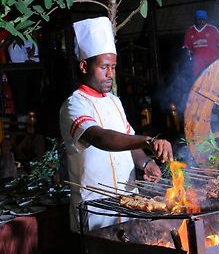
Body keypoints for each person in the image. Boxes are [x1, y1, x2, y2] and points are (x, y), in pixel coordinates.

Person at [59, 16, 173, 233]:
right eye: (104, 67)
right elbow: (101, 137)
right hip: (95, 210)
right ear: (84, 66)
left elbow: (128, 142)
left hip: (128, 204)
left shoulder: (114, 101)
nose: (110, 73)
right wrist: (149, 140)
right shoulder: (74, 105)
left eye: (113, 67)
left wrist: (146, 163)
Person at [183, 9, 219, 76]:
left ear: (206, 20)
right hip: (197, 67)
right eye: (199, 19)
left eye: (203, 19)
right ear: (195, 19)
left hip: (213, 64)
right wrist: (190, 61)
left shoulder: (213, 29)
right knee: (199, 85)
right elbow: (187, 49)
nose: (201, 21)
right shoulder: (190, 31)